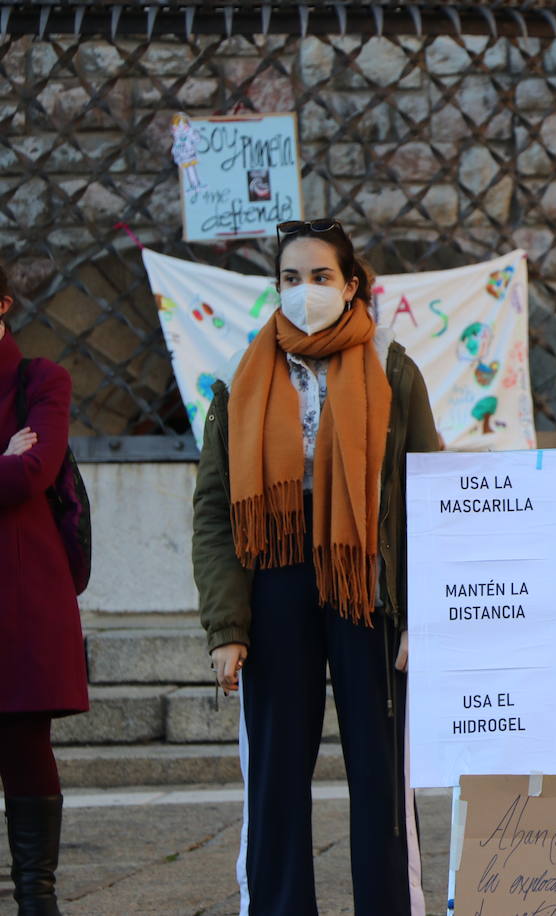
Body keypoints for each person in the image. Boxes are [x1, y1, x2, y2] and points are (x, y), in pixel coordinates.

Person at [193, 220, 442, 915]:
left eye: (321, 277)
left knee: (381, 772)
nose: (304, 292)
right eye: (290, 279)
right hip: (274, 573)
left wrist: (420, 613)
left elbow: (429, 496)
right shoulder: (243, 377)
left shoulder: (392, 367)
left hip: (367, 579)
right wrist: (226, 626)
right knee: (274, 772)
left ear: (352, 284)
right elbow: (215, 509)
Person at [0, 261, 89, 916]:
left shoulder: (40, 380)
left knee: (23, 741)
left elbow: (32, 474)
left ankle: (38, 897)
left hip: (21, 594)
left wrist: (13, 460)